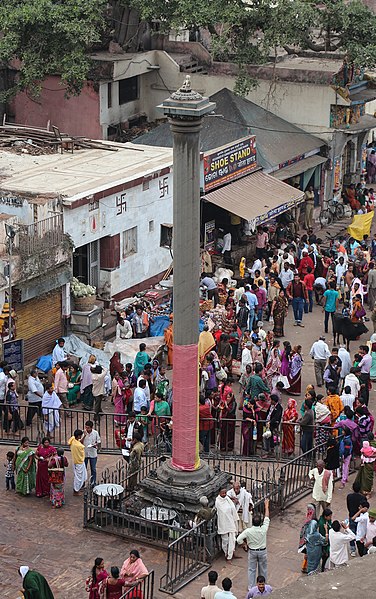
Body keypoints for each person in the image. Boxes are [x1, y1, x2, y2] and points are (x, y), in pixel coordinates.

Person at [237, 499, 270, 589]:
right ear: (260, 523)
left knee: (251, 570)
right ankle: (263, 586)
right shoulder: (263, 529)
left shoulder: (248, 531)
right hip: (262, 551)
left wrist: (244, 544)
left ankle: (251, 588)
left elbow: (238, 539)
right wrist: (266, 506)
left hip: (252, 551)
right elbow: (267, 518)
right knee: (263, 570)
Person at [215, 488, 239, 561]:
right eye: (223, 493)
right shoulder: (218, 501)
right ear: (219, 493)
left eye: (225, 493)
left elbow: (232, 508)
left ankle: (231, 553)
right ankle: (226, 554)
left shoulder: (227, 499)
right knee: (225, 540)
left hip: (230, 522)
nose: (224, 494)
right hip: (224, 523)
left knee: (232, 539)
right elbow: (223, 511)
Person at [298, 503, 317, 573]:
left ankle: (304, 567)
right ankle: (306, 567)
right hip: (308, 541)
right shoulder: (311, 521)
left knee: (307, 554)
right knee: (308, 555)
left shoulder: (308, 519)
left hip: (306, 540)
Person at [68, 429, 87, 495]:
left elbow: (71, 442)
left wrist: (84, 435)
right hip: (79, 462)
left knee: (80, 476)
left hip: (75, 460)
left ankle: (77, 488)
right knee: (78, 477)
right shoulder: (79, 446)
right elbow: (82, 444)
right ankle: (76, 490)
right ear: (79, 436)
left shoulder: (73, 439)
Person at [83, 420, 101, 486]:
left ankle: (93, 482)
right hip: (85, 453)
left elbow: (99, 442)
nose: (86, 429)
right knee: (83, 469)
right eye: (86, 427)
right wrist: (84, 435)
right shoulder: (83, 433)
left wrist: (95, 445)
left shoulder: (95, 433)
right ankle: (82, 483)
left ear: (91, 427)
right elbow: (80, 442)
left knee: (93, 469)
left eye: (88, 428)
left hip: (93, 453)